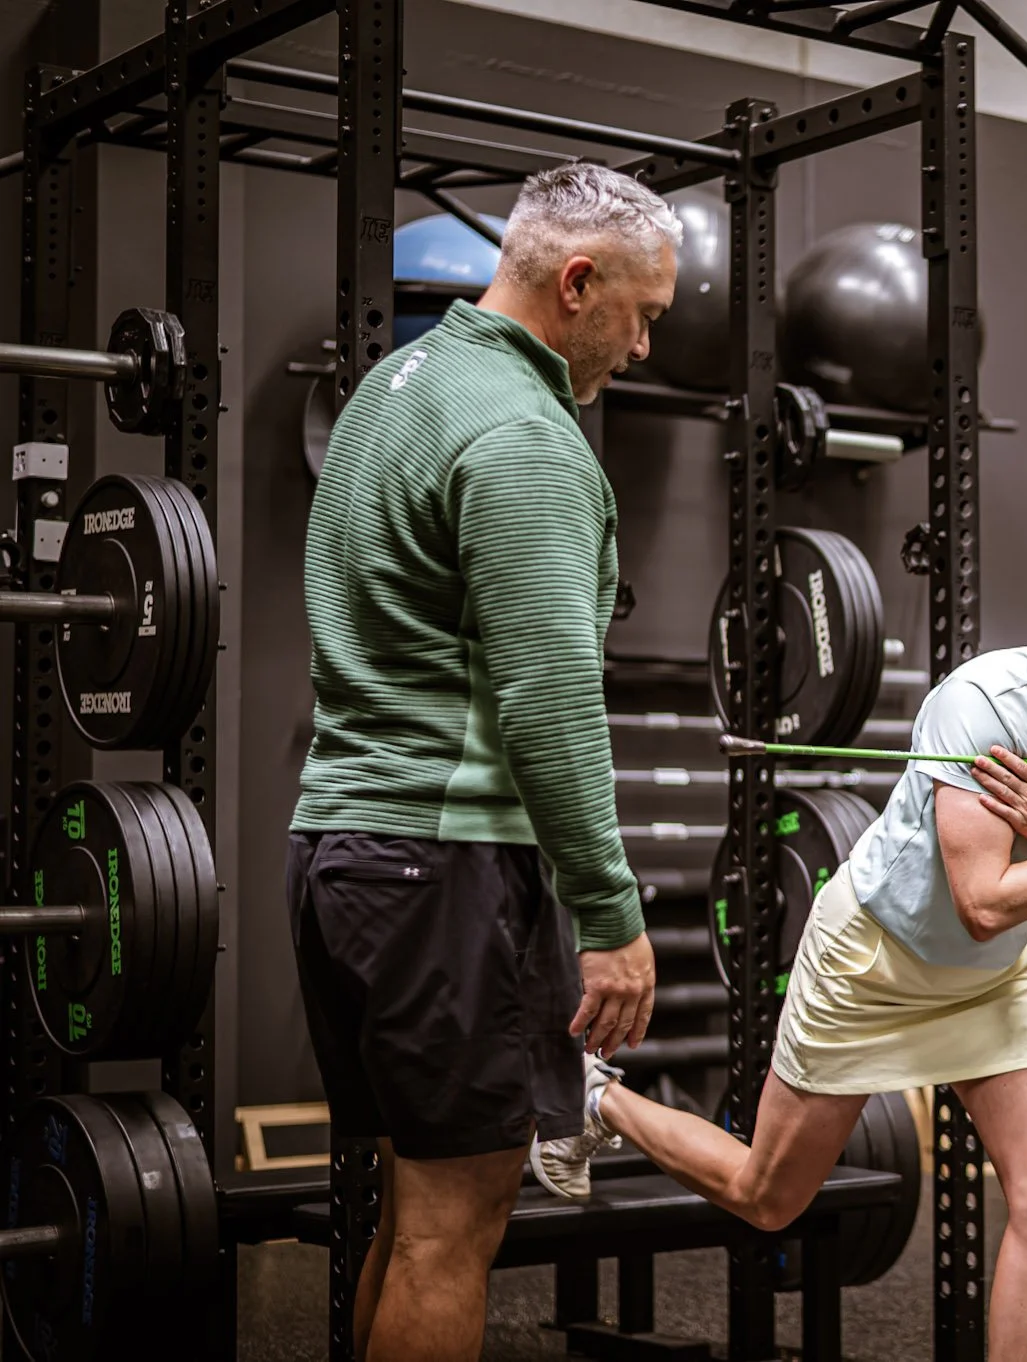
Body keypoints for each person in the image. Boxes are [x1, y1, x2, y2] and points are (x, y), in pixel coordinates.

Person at [533, 516, 1027, 1362]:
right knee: (768, 1197)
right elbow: (982, 901)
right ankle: (597, 1099)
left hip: (995, 980)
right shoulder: (983, 705)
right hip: (874, 962)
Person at [287, 162, 678, 1362]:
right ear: (575, 284)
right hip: (445, 867)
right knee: (454, 1232)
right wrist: (611, 914)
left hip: (343, 854)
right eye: (642, 312)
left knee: (415, 1222)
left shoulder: (393, 389)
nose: (645, 344)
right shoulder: (527, 437)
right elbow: (549, 702)